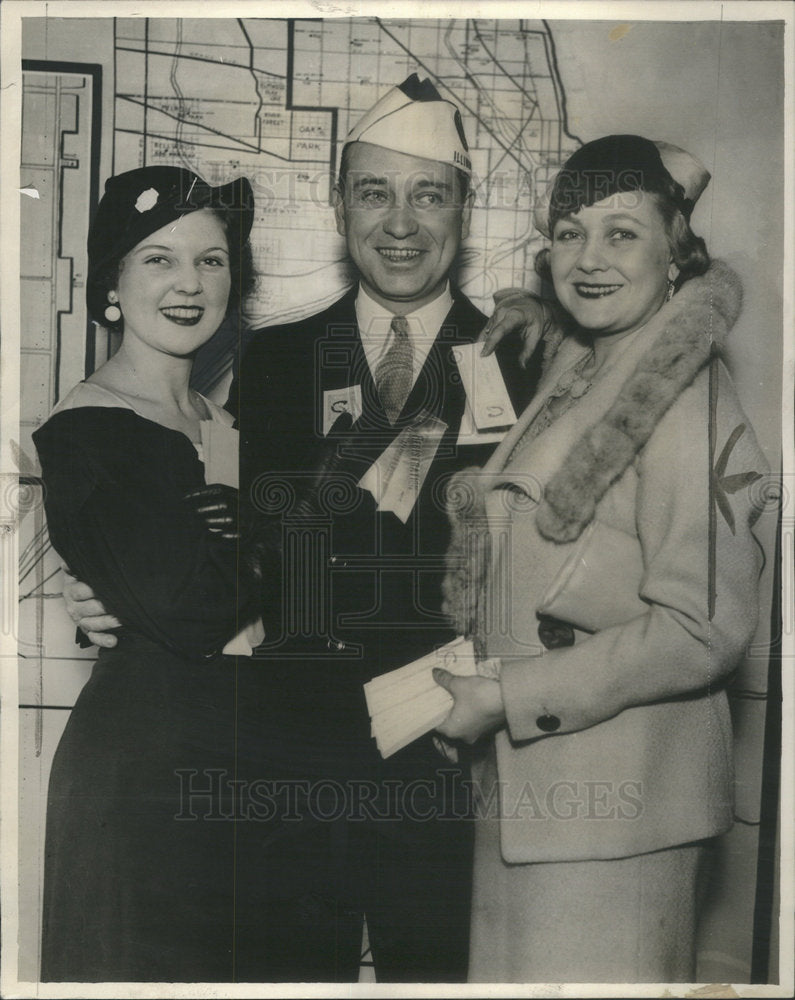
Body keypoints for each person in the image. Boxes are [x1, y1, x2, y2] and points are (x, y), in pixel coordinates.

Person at [62, 75, 538, 982]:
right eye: (373, 193)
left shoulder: (527, 360)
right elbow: (217, 551)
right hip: (276, 779)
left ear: (465, 208)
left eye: (427, 194)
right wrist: (111, 595)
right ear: (336, 206)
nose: (399, 223)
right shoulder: (270, 365)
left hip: (453, 775)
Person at [433, 134, 769, 982]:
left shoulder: (686, 389)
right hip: (535, 798)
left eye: (620, 233)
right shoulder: (585, 364)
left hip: (617, 812)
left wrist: (510, 695)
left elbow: (703, 628)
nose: (587, 259)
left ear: (675, 253)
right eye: (570, 232)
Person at [34, 165, 271, 981]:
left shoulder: (222, 421)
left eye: (210, 260)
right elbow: (199, 608)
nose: (188, 283)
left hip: (232, 770)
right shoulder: (91, 429)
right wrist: (297, 532)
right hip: (143, 783)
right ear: (111, 287)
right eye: (158, 259)